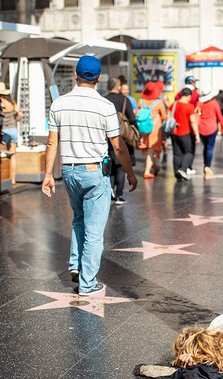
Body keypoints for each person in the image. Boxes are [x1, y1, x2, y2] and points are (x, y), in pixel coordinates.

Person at [41, 55, 138, 296]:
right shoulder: (105, 107)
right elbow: (118, 146)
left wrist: (47, 175)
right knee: (94, 231)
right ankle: (87, 284)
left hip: (69, 171)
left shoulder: (59, 104)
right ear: (98, 79)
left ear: (76, 74)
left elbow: (52, 142)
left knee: (78, 219)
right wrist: (130, 173)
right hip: (95, 172)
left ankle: (75, 265)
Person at [105, 76, 137, 205]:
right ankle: (119, 195)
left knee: (110, 166)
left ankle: (110, 191)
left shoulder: (104, 100)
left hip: (106, 137)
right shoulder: (125, 100)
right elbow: (132, 118)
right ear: (119, 87)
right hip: (121, 136)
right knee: (120, 167)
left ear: (108, 87)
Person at [196, 86, 223, 177]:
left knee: (205, 147)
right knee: (210, 148)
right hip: (212, 128)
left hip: (201, 129)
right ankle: (208, 166)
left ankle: (205, 164)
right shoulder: (214, 103)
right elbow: (219, 116)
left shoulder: (199, 103)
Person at [137, 81, 167, 179]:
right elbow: (164, 116)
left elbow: (138, 112)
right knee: (151, 150)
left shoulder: (141, 101)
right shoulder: (159, 103)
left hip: (143, 129)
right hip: (154, 129)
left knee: (151, 149)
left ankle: (155, 167)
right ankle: (147, 171)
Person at [171, 87, 200, 181]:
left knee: (177, 154)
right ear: (189, 96)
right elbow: (193, 122)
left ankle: (176, 173)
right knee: (189, 152)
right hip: (185, 133)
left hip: (174, 132)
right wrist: (197, 135)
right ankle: (183, 169)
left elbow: (168, 117)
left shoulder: (173, 105)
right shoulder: (189, 106)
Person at [0, 88, 22, 185]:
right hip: (13, 129)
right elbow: (20, 114)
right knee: (13, 155)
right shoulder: (12, 102)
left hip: (3, 130)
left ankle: (2, 178)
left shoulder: (0, 102)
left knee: (0, 154)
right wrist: (15, 121)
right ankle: (13, 179)